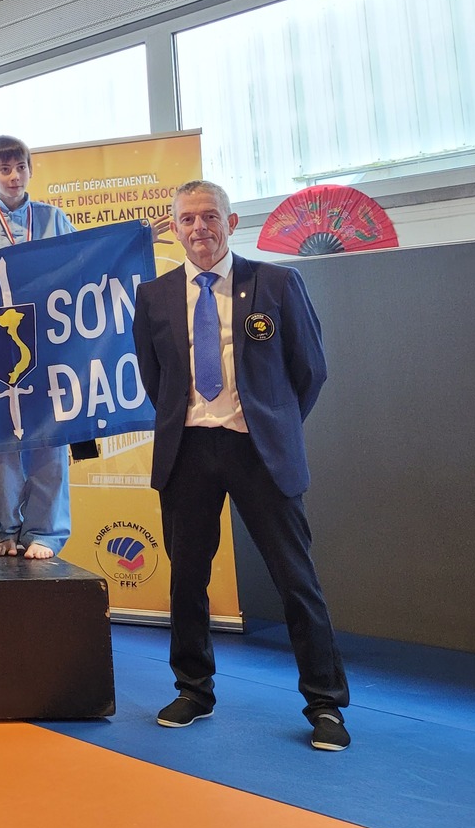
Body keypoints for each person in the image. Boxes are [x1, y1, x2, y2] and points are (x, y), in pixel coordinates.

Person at [132, 180, 350, 751]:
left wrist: (273, 424)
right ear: (174, 228)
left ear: (231, 223)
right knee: (187, 581)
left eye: (209, 216)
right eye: (187, 219)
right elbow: (156, 379)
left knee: (295, 579)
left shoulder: (277, 282)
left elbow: (310, 370)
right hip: (187, 452)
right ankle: (193, 690)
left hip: (259, 452)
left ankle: (326, 704)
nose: (198, 228)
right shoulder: (153, 296)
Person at [0, 134, 77, 559]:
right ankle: (4, 528)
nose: (14, 176)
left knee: (50, 437)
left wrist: (131, 240)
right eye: (4, 169)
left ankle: (46, 532)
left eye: (20, 167)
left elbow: (84, 265)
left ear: (30, 170)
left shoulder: (54, 219)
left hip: (49, 341)